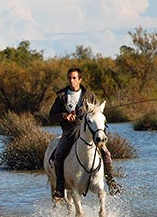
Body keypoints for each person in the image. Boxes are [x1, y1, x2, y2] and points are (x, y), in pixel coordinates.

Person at [49, 67, 122, 199]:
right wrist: (64, 116)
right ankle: (60, 188)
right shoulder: (61, 97)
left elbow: (98, 113)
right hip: (69, 132)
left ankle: (111, 182)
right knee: (58, 156)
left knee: (106, 154)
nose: (71, 81)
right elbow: (52, 115)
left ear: (80, 79)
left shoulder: (89, 95)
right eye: (69, 78)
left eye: (74, 78)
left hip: (87, 132)